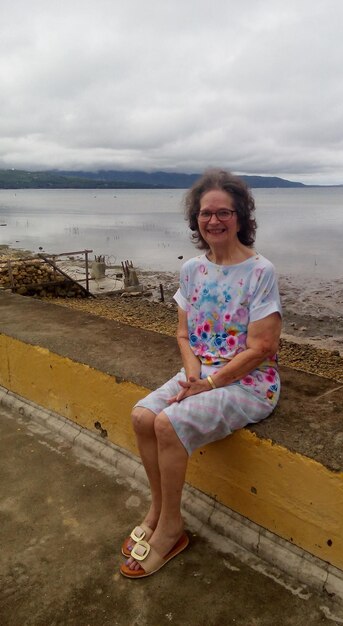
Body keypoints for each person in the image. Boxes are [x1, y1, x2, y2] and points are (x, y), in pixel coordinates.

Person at [120, 169, 282, 578]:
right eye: (205, 213)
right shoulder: (192, 270)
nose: (214, 221)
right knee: (142, 416)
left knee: (168, 424)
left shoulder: (261, 272)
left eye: (224, 212)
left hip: (248, 383)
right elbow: (183, 334)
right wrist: (193, 377)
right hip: (201, 373)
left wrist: (208, 383)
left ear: (241, 217)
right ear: (196, 220)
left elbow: (263, 349)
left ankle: (172, 528)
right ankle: (158, 509)